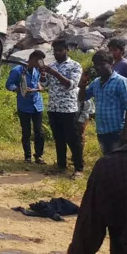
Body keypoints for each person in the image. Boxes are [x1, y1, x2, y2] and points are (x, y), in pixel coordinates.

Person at [68, 66, 127, 254]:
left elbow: (83, 245)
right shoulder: (114, 165)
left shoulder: (113, 168)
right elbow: (83, 97)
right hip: (104, 129)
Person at [41, 39, 84, 178]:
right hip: (53, 107)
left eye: (60, 50)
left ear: (67, 50)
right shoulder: (52, 65)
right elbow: (44, 84)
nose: (57, 53)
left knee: (72, 138)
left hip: (68, 108)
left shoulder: (75, 66)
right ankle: (61, 165)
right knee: (58, 138)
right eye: (55, 51)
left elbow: (71, 85)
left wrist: (55, 73)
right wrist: (43, 74)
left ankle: (79, 168)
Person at [79, 50, 127, 155]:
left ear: (111, 64)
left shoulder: (120, 82)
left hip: (117, 130)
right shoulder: (96, 82)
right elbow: (82, 98)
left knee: (118, 162)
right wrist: (83, 83)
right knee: (107, 161)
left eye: (102, 64)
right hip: (102, 130)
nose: (98, 67)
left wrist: (126, 130)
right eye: (95, 65)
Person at [5, 50, 46, 164]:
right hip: (24, 105)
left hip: (37, 104)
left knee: (39, 131)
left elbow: (40, 82)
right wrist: (19, 89)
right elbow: (9, 85)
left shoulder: (37, 70)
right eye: (39, 61)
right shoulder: (17, 70)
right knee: (26, 131)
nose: (40, 63)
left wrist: (40, 86)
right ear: (32, 59)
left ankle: (39, 156)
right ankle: (27, 156)